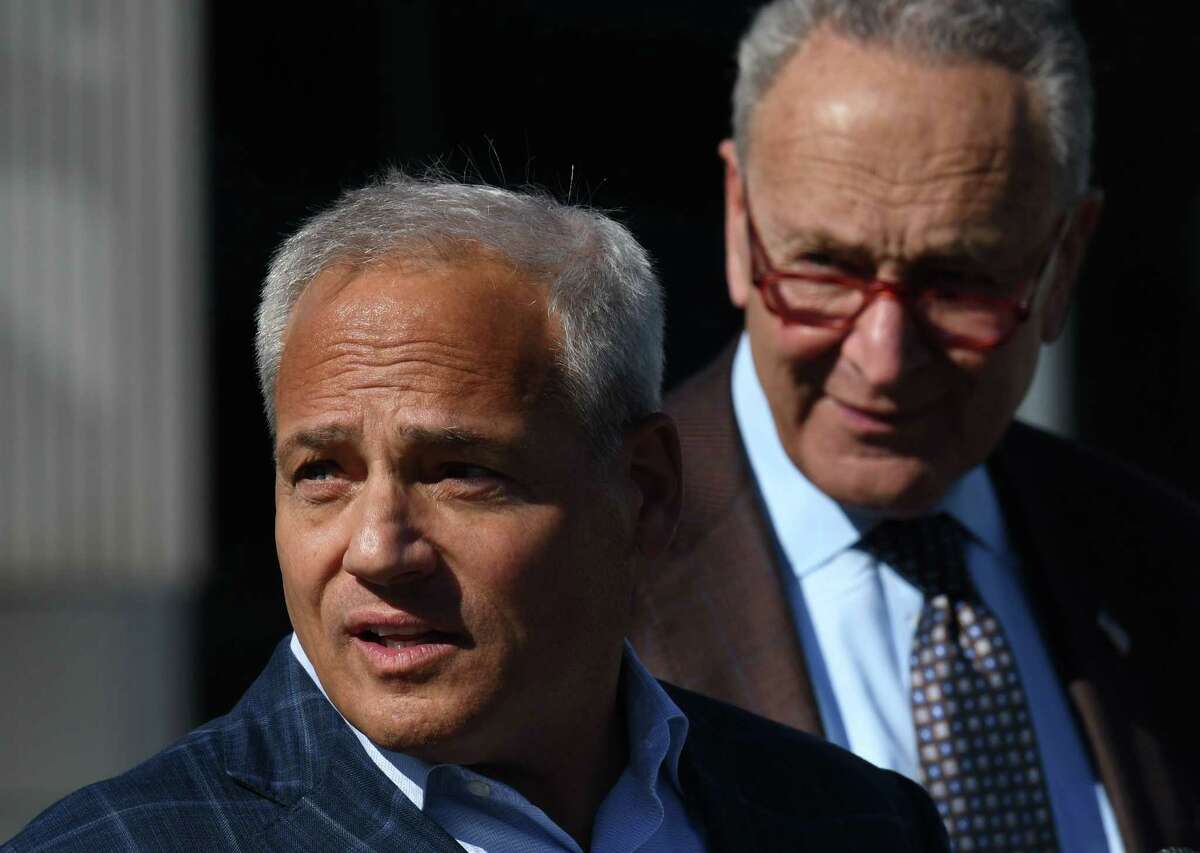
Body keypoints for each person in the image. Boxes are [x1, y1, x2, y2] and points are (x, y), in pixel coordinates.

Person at [6, 174, 947, 852]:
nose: (377, 548)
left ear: (646, 490)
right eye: (322, 473)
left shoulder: (856, 822)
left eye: (458, 471)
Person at [629, 1, 1200, 850]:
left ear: (1064, 259)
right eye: (824, 267)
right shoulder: (583, 577)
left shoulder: (1165, 566)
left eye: (958, 281)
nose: (884, 356)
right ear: (739, 220)